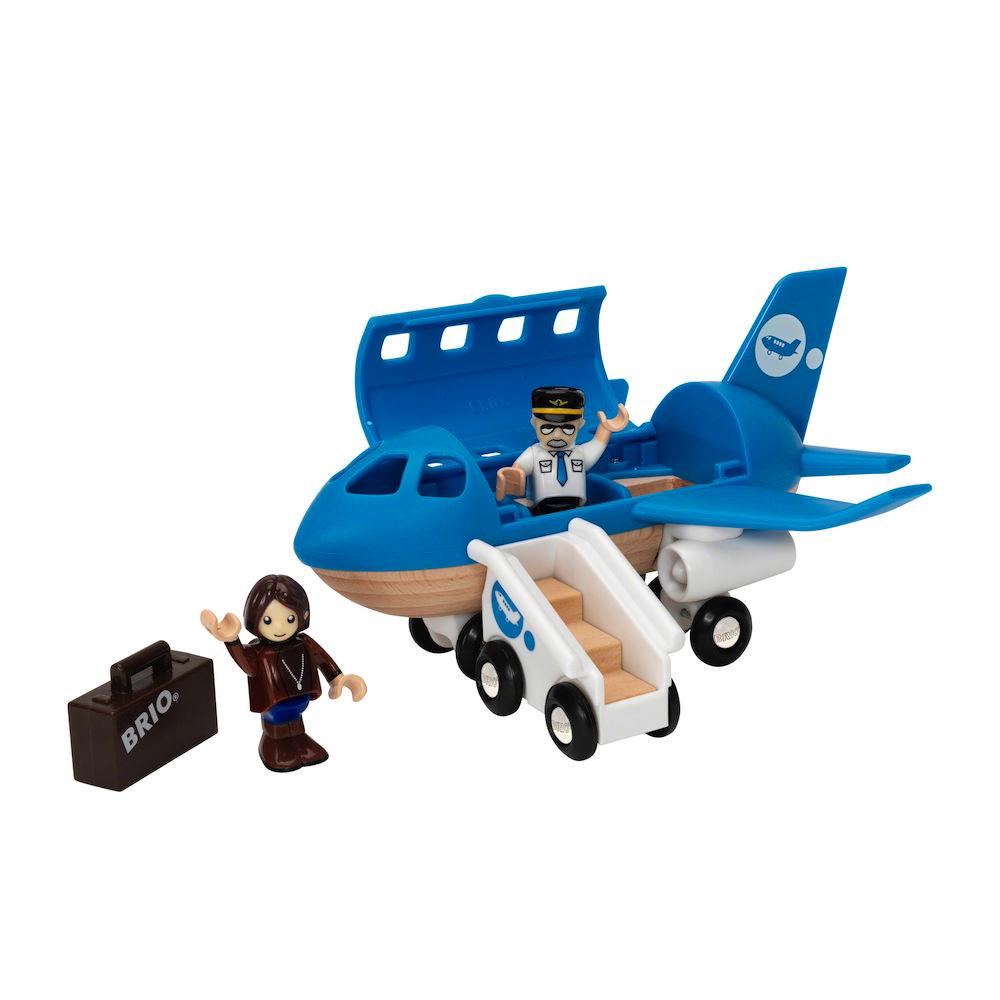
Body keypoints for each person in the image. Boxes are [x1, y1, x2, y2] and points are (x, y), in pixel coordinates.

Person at [201, 574, 366, 772]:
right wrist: (231, 641)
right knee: (277, 727)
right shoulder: (258, 651)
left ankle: (300, 741)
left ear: (303, 615)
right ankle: (275, 745)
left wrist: (338, 679)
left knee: (296, 723)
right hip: (274, 705)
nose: (279, 627)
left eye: (289, 619)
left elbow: (322, 659)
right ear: (254, 618)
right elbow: (246, 665)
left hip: (300, 697)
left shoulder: (305, 643)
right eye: (268, 620)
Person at [495, 386, 630, 516]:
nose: (557, 435)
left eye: (567, 429)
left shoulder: (581, 453)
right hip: (541, 511)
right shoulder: (534, 454)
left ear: (580, 424)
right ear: (534, 423)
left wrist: (605, 429)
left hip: (577, 509)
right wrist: (512, 476)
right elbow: (519, 469)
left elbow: (597, 444)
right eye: (547, 428)